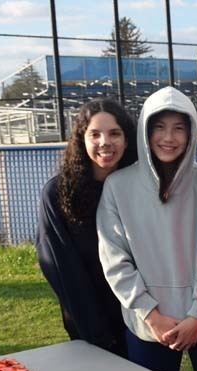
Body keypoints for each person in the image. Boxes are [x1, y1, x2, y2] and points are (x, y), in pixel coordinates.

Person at [97, 86, 197, 371]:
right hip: (148, 326)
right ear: (145, 129)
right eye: (159, 127)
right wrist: (150, 314)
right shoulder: (118, 186)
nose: (168, 137)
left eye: (178, 128)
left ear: (191, 132)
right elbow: (115, 260)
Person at [36, 98, 137, 357]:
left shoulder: (140, 187)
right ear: (82, 139)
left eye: (115, 133)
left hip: (138, 314)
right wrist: (96, 331)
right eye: (95, 134)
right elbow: (61, 267)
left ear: (127, 139)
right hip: (88, 321)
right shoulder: (58, 194)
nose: (105, 142)